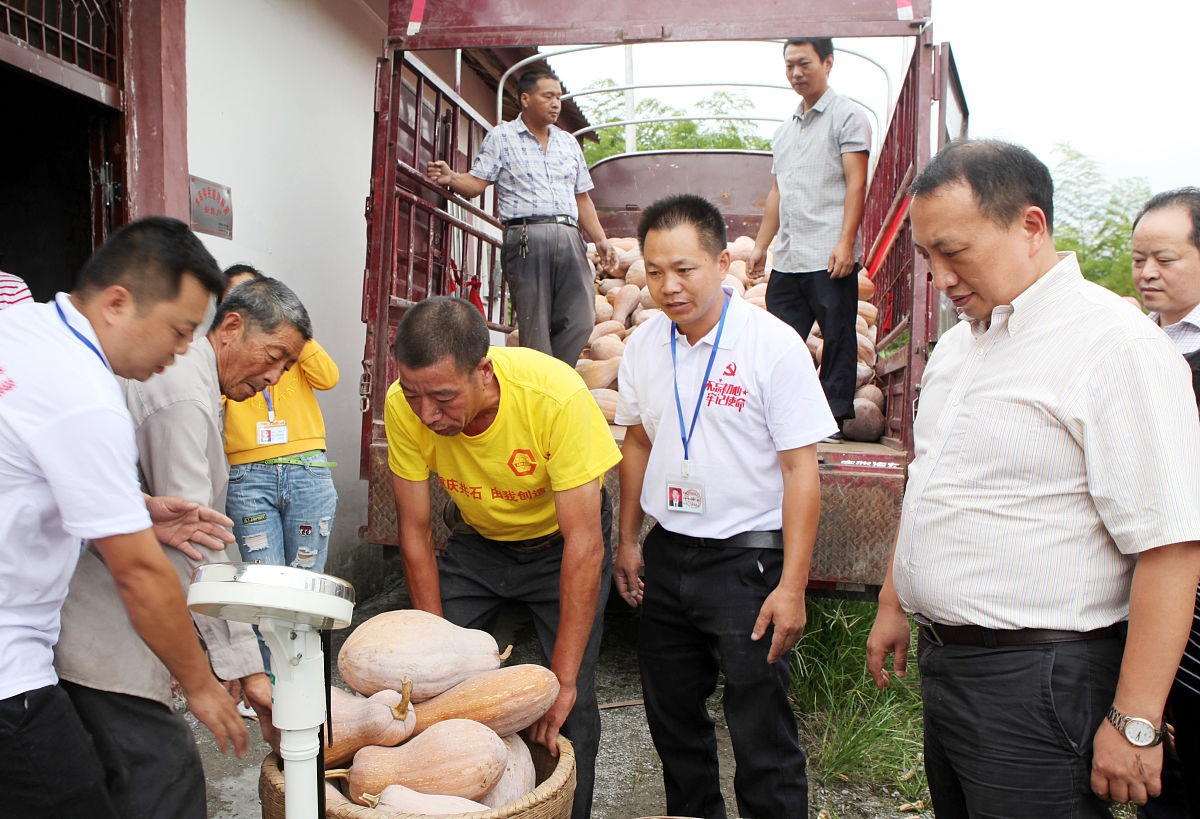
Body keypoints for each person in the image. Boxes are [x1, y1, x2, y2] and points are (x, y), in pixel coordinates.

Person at [865, 140, 1200, 815]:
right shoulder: (962, 343)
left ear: (1030, 226)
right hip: (949, 665)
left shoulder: (1115, 344)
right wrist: (895, 600)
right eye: (928, 255)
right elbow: (936, 483)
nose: (940, 276)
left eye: (954, 250)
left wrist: (1135, 719)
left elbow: (1170, 544)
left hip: (1042, 678)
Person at [0, 216, 250, 818]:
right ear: (118, 302)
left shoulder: (25, 331)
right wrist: (201, 685)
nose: (184, 349)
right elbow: (139, 574)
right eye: (180, 329)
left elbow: (26, 468)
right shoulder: (87, 395)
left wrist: (136, 509)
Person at [54, 274, 309, 817]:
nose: (274, 377)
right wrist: (244, 666)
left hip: (125, 619)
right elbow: (198, 543)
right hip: (105, 628)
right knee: (165, 781)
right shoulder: (183, 394)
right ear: (232, 327)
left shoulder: (198, 386)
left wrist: (237, 662)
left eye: (287, 367)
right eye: (275, 356)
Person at [613, 194, 834, 818]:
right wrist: (628, 541)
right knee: (673, 718)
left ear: (721, 261)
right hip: (670, 552)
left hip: (749, 562)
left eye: (684, 269)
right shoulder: (646, 344)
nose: (668, 286)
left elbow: (801, 470)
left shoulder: (772, 344)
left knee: (760, 724)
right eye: (654, 272)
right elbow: (636, 442)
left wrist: (793, 584)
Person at [385, 296, 620, 819]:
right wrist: (432, 649)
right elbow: (416, 530)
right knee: (425, 688)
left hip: (560, 544)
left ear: (484, 371)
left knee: (570, 703)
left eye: (443, 397)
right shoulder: (406, 405)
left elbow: (584, 547)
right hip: (478, 543)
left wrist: (561, 679)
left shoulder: (554, 396)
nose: (427, 413)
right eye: (414, 394)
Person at [427, 68, 619, 365]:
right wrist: (452, 178)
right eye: (548, 96)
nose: (556, 103)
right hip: (527, 237)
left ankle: (554, 372)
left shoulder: (568, 143)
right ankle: (543, 388)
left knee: (582, 318)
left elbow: (582, 198)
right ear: (526, 99)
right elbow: (477, 184)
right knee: (535, 326)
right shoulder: (502, 137)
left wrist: (601, 240)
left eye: (559, 97)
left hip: (570, 236)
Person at [749, 37, 870, 437]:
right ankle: (773, 412)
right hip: (788, 256)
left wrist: (845, 242)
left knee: (837, 335)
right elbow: (777, 194)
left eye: (805, 63)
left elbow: (856, 183)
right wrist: (761, 246)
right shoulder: (784, 132)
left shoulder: (847, 117)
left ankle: (833, 418)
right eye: (789, 66)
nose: (796, 73)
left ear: (828, 62)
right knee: (777, 341)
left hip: (828, 252)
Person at [219, 265, 339, 669]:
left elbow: (329, 378)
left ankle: (307, 676)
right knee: (264, 586)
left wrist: (289, 335)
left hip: (306, 472)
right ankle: (273, 682)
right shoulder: (227, 358)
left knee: (307, 578)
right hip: (249, 478)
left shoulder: (291, 350)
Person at [1130, 187, 1200, 818]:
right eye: (1138, 258)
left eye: (1166, 258)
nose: (1148, 271)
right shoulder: (1127, 344)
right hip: (1153, 584)